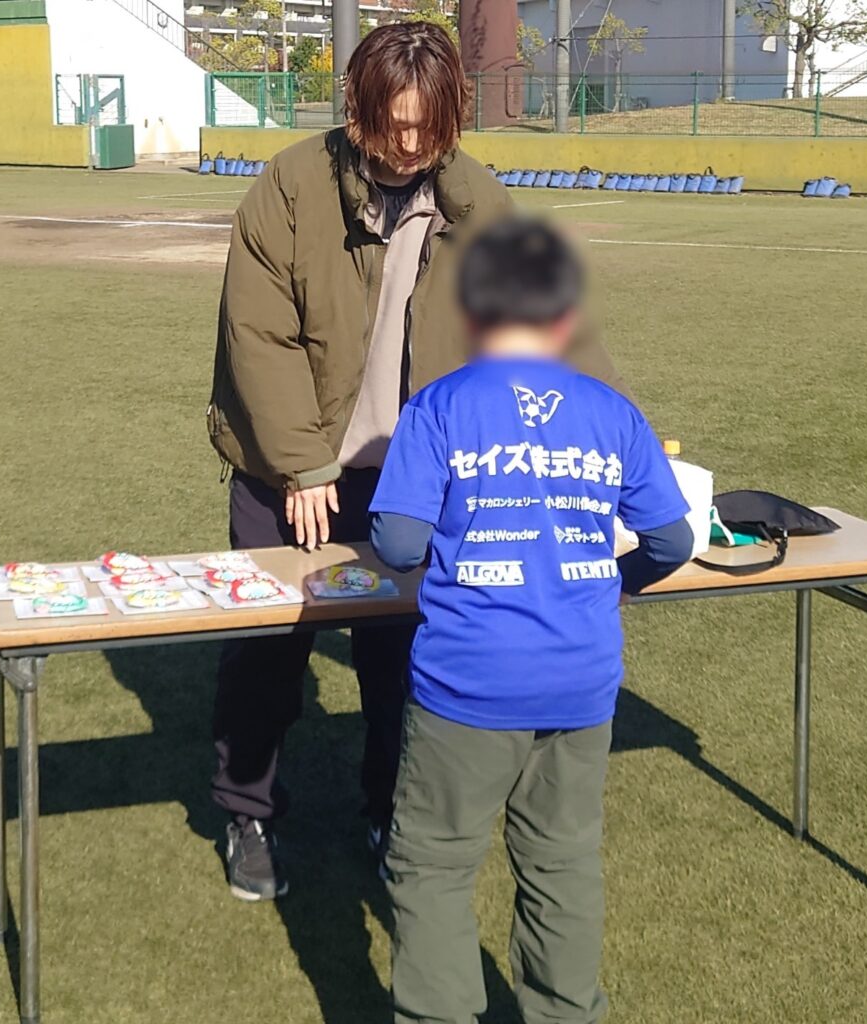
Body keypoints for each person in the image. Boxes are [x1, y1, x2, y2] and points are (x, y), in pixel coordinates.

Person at [206, 23, 619, 902]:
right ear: (356, 109)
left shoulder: (479, 201)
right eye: (390, 123)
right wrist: (302, 464)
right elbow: (258, 335)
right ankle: (248, 811)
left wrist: (616, 440)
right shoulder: (290, 186)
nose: (406, 143)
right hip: (292, 473)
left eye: (425, 127)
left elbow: (546, 325)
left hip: (412, 481)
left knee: (401, 656)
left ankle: (386, 807)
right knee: (268, 650)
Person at [368, 217, 694, 1024]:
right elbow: (673, 540)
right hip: (581, 679)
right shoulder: (612, 412)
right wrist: (614, 580)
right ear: (565, 318)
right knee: (561, 863)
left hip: (467, 681)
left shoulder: (439, 406)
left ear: (472, 314)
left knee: (434, 864)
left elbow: (399, 542)